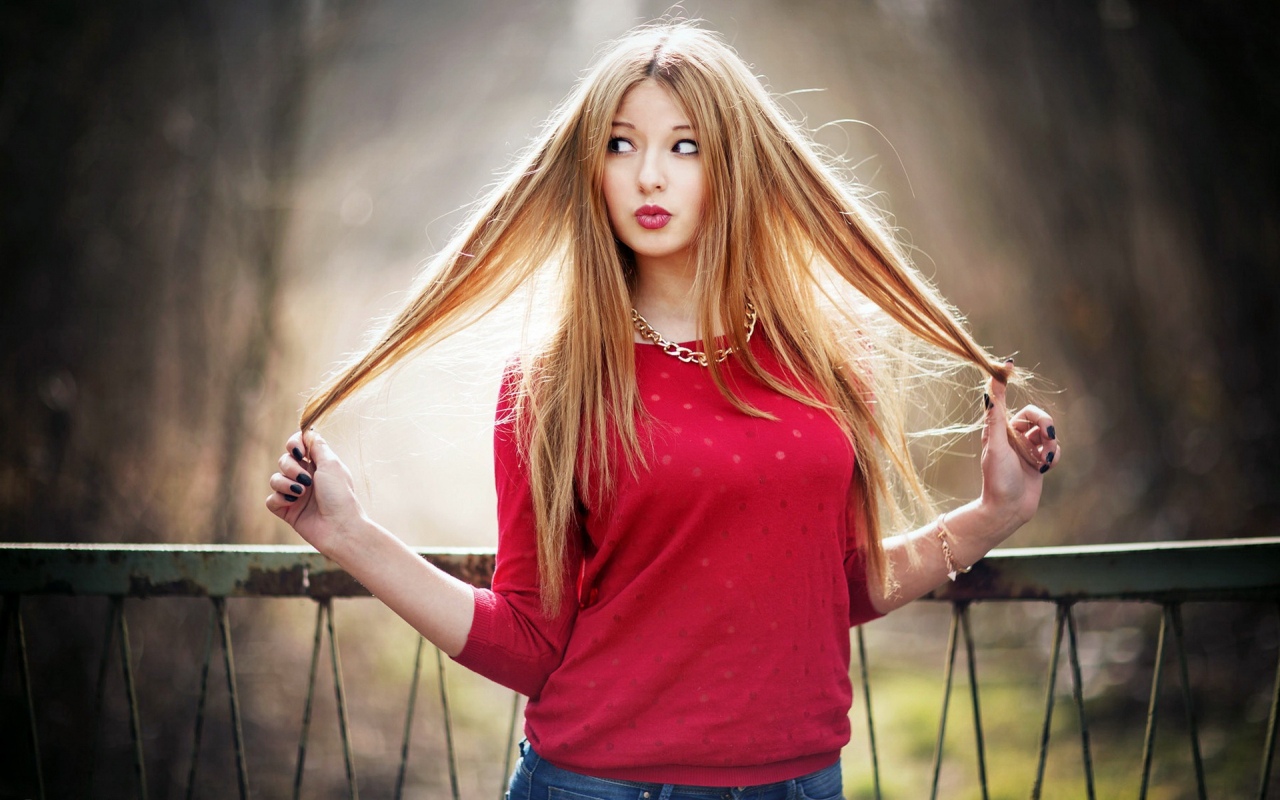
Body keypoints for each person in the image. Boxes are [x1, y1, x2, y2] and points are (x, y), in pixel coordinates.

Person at [265, 19, 1059, 800]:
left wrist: (993, 514)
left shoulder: (824, 366)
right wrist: (349, 535)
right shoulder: (553, 385)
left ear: (739, 166)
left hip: (803, 784)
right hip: (599, 786)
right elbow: (529, 642)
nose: (649, 175)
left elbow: (837, 587)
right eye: (620, 144)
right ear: (592, 169)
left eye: (685, 146)